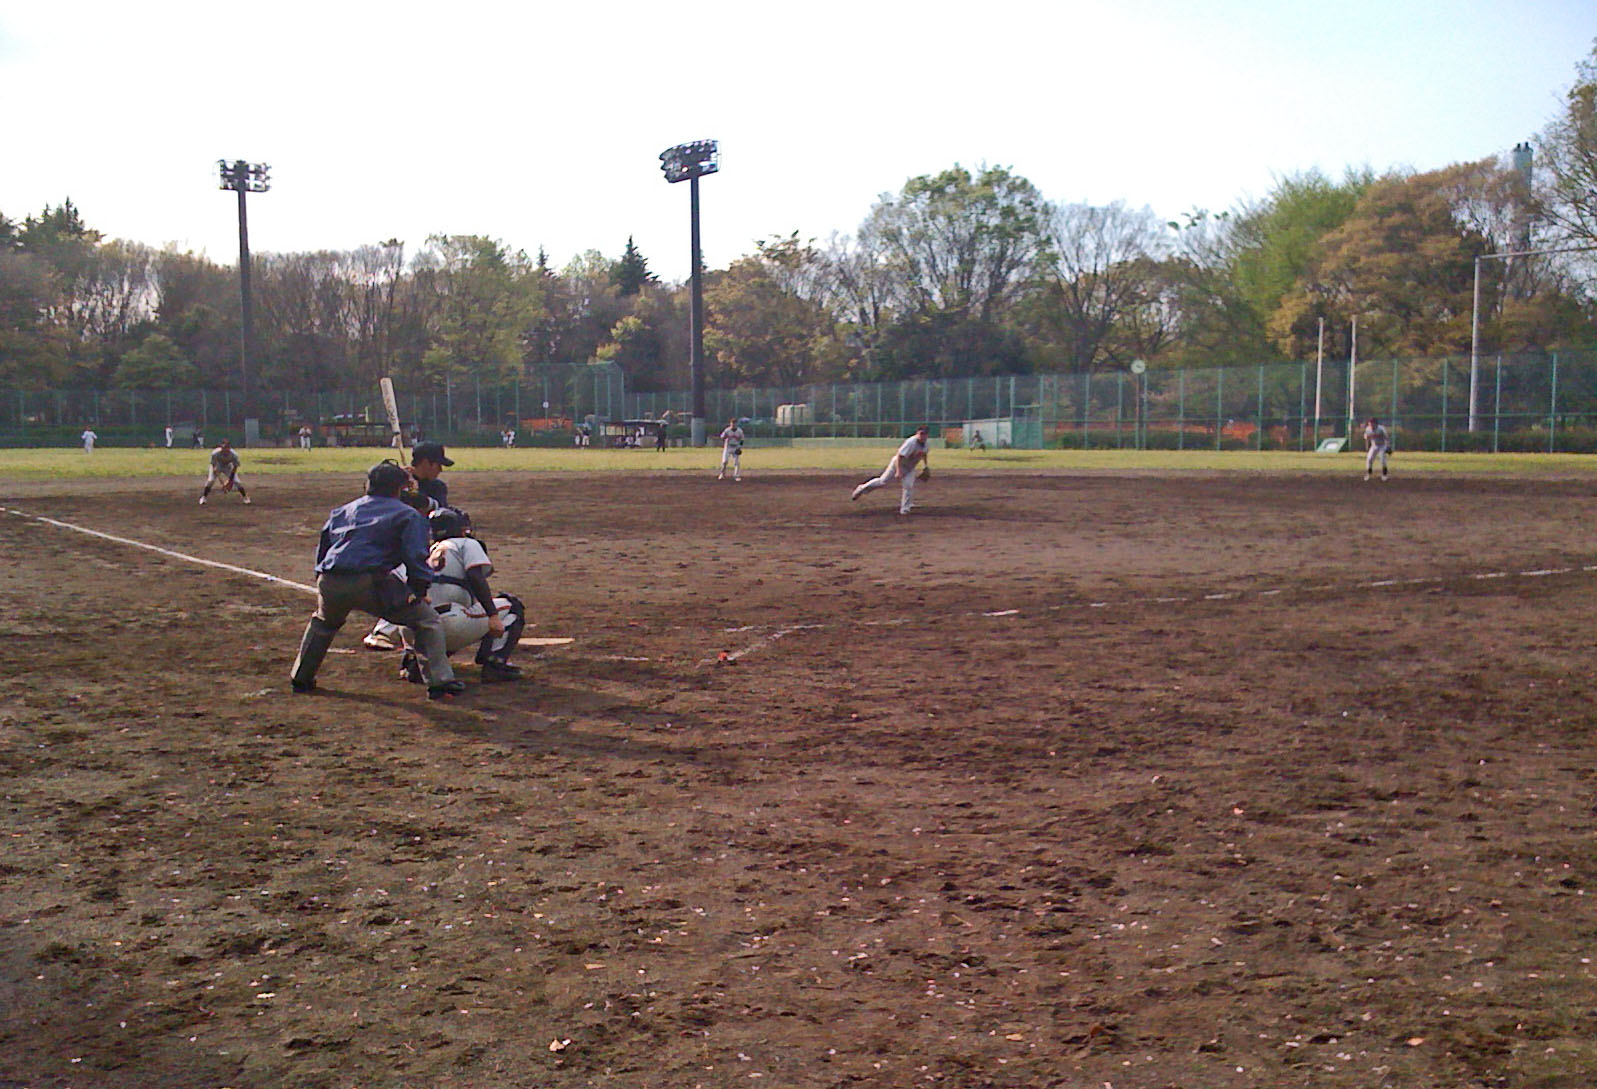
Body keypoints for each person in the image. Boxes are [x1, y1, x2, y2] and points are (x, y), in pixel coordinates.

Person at [289, 461, 464, 701]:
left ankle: (301, 678)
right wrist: (419, 589)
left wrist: (321, 577)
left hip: (329, 579)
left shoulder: (342, 510)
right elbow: (415, 556)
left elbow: (325, 548)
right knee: (426, 620)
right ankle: (439, 683)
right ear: (399, 489)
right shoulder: (407, 514)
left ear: (368, 484)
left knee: (324, 623)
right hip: (371, 580)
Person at [397, 507, 526, 685]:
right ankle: (495, 665)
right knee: (513, 606)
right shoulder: (465, 544)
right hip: (449, 624)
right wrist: (493, 615)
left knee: (418, 611)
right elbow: (475, 576)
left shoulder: (423, 550)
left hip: (414, 629)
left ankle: (415, 663)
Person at [363, 441, 455, 650]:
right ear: (424, 462)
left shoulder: (437, 487)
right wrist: (401, 485)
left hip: (422, 545)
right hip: (394, 548)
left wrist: (414, 491)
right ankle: (382, 632)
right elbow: (374, 501)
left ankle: (395, 631)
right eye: (437, 464)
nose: (440, 470)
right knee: (405, 586)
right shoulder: (395, 483)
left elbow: (435, 511)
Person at [851, 425, 931, 514]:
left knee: (908, 486)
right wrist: (898, 471)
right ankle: (861, 488)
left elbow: (923, 454)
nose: (922, 436)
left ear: (927, 435)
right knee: (882, 482)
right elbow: (899, 456)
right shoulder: (911, 443)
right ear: (917, 433)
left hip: (910, 468)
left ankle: (905, 509)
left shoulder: (926, 444)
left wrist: (925, 466)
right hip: (897, 464)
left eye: (925, 434)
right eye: (921, 434)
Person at [199, 439, 251, 505]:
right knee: (210, 481)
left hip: (228, 466)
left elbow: (235, 467)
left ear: (229, 448)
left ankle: (245, 497)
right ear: (221, 447)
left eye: (227, 448)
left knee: (237, 482)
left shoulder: (234, 455)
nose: (225, 450)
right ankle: (203, 497)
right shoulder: (215, 453)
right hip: (218, 465)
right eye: (223, 448)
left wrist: (230, 481)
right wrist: (222, 483)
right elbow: (214, 467)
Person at [1363, 417, 1391, 481]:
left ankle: (1384, 475)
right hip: (1374, 446)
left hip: (1382, 445)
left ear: (1376, 424)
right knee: (1369, 459)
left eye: (1372, 424)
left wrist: (1388, 446)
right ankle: (1369, 474)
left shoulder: (1381, 429)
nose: (1371, 425)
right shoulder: (1368, 429)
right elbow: (1366, 439)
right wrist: (1367, 448)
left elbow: (1386, 438)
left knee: (1382, 459)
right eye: (1370, 424)